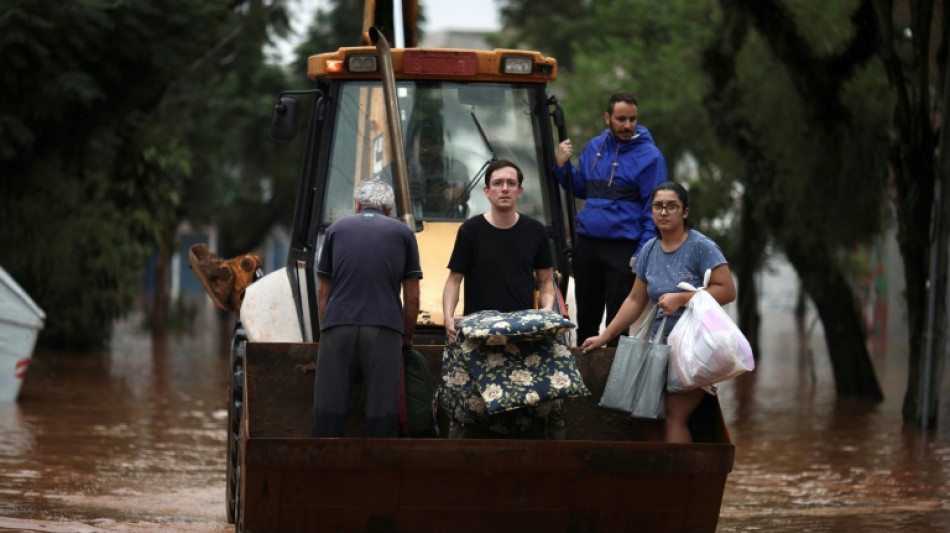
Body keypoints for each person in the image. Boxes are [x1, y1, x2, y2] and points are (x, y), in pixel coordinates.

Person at [580, 182, 736, 444]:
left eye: (671, 206)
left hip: (694, 348)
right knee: (645, 414)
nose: (664, 212)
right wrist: (604, 337)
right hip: (658, 348)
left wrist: (683, 298)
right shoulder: (650, 249)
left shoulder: (701, 247)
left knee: (674, 416)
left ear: (684, 212)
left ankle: (679, 481)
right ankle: (658, 478)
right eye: (658, 206)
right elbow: (634, 300)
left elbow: (727, 290)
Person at [442, 159, 559, 438]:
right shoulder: (470, 231)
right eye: (498, 183)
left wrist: (547, 313)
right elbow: (454, 279)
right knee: (473, 406)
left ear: (520, 191)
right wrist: (448, 317)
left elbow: (546, 281)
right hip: (479, 335)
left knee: (531, 406)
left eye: (510, 183)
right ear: (486, 191)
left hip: (523, 334)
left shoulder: (535, 231)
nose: (504, 188)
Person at [554, 92, 668, 346]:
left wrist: (643, 251)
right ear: (608, 118)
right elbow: (583, 189)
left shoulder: (651, 157)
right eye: (621, 119)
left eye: (632, 119)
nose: (627, 125)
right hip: (588, 245)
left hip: (623, 249)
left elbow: (655, 208)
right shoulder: (594, 147)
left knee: (617, 324)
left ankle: (614, 383)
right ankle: (585, 380)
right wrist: (563, 167)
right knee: (585, 319)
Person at [312, 179, 422, 438]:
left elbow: (322, 292)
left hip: (338, 326)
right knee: (381, 417)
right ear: (390, 210)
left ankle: (323, 471)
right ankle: (378, 473)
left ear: (356, 205)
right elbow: (413, 297)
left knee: (328, 414)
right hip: (385, 329)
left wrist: (326, 333)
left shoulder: (336, 230)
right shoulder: (404, 234)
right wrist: (405, 338)